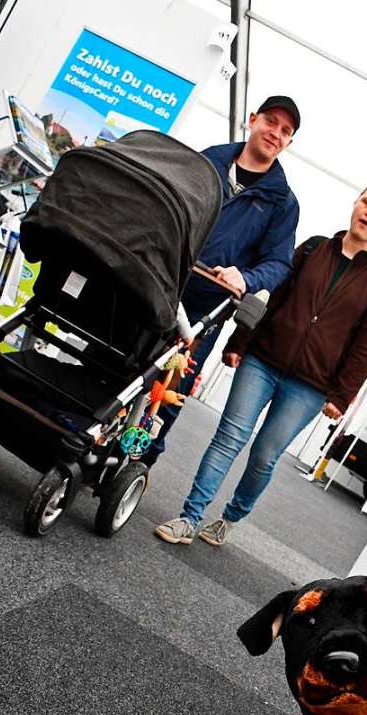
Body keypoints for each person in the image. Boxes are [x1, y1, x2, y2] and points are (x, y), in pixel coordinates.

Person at [154, 181, 367, 547]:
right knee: (228, 438)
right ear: (355, 203)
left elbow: (366, 344)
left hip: (312, 387)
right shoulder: (314, 247)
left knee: (264, 456)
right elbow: (275, 297)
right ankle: (190, 517)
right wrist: (240, 342)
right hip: (263, 360)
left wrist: (342, 395)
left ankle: (231, 517)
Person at [141, 95, 300, 467]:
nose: (275, 133)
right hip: (159, 284)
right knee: (123, 361)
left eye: (285, 131)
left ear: (289, 143)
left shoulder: (283, 203)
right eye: (271, 122)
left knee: (169, 388)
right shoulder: (205, 162)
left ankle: (139, 460)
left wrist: (245, 277)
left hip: (202, 311)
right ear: (252, 120)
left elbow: (279, 263)